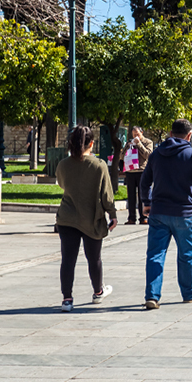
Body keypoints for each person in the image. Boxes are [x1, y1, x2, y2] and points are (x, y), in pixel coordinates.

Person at [140, 119, 192, 309]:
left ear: (170, 134)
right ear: (188, 136)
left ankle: (152, 296)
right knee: (186, 255)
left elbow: (144, 182)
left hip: (159, 212)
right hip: (183, 213)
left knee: (155, 254)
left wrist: (146, 203)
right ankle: (189, 293)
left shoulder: (156, 154)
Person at [55, 126, 118, 312]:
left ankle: (67, 299)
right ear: (91, 143)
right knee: (94, 258)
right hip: (91, 218)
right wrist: (112, 214)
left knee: (68, 259)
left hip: (67, 218)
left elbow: (61, 184)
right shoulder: (99, 165)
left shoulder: (63, 164)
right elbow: (107, 195)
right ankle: (98, 292)